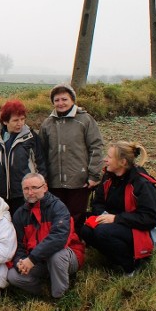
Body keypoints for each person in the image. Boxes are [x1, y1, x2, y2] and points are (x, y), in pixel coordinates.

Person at [81, 142, 156, 276]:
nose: (105, 159)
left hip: (140, 230)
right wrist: (104, 215)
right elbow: (97, 203)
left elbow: (150, 218)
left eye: (109, 157)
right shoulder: (109, 177)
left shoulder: (141, 183)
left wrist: (116, 219)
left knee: (102, 232)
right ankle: (114, 260)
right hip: (116, 224)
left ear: (122, 162)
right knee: (85, 229)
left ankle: (132, 267)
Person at [7, 173, 85, 300]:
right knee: (12, 276)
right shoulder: (20, 214)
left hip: (67, 255)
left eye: (34, 187)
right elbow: (19, 246)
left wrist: (31, 259)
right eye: (26, 189)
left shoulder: (58, 207)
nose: (30, 192)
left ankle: (60, 297)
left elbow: (58, 239)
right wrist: (20, 263)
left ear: (45, 187)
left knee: (56, 256)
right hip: (38, 261)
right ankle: (46, 289)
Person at [39, 83, 104, 229]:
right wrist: (42, 177)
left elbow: (96, 147)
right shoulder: (47, 123)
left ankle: (76, 247)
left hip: (79, 180)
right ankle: (59, 246)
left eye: (64, 99)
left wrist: (94, 175)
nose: (60, 103)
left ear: (72, 100)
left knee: (76, 216)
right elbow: (41, 153)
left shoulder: (85, 120)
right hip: (54, 181)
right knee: (56, 216)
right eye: (57, 100)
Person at [0, 99, 46, 213]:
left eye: (22, 119)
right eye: (15, 120)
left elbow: (40, 164)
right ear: (5, 121)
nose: (20, 123)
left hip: (24, 193)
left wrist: (39, 188)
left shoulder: (31, 138)